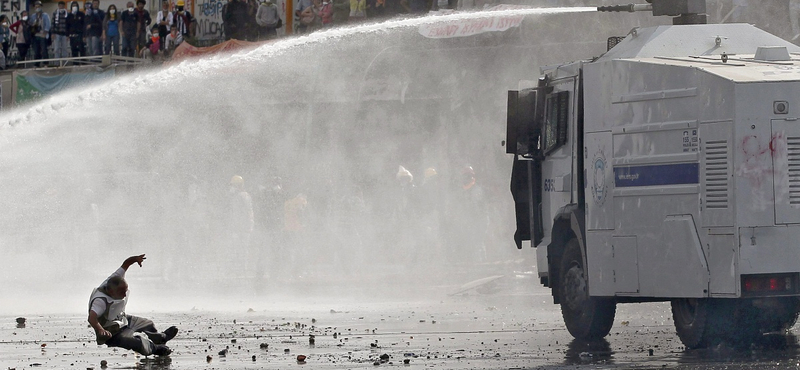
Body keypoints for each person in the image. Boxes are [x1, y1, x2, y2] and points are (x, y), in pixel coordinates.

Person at [88, 254, 178, 357]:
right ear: (110, 291)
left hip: (123, 319)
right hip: (112, 333)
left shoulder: (114, 278)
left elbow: (125, 264)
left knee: (148, 324)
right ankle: (156, 349)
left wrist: (136, 259)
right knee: (136, 343)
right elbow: (91, 318)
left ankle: (160, 338)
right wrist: (100, 330)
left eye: (125, 290)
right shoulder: (100, 301)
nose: (125, 294)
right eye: (121, 292)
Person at [28, 1, 50, 67]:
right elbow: (30, 25)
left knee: (44, 50)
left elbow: (48, 25)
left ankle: (45, 63)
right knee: (36, 50)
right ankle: (37, 64)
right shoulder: (33, 16)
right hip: (35, 35)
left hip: (43, 34)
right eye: (36, 7)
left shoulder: (45, 15)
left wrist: (45, 33)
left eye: (39, 7)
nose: (37, 8)